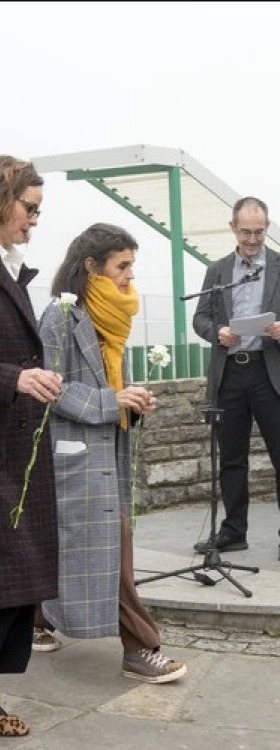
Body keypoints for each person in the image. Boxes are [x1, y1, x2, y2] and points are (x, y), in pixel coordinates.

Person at [36, 222, 187, 684]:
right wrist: (110, 402)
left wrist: (130, 401)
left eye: (131, 266)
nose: (129, 277)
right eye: (122, 266)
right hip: (72, 457)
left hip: (106, 451)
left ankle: (36, 621)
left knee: (67, 548)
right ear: (91, 267)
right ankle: (140, 648)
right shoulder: (60, 316)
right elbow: (48, 386)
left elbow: (108, 385)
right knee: (111, 550)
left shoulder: (109, 317)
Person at [193, 197, 280, 561]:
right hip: (230, 372)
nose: (252, 239)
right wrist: (218, 333)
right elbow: (199, 318)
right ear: (233, 228)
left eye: (259, 231)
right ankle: (233, 531)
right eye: (246, 231)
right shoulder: (217, 271)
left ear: (267, 228)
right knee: (231, 458)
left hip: (268, 370)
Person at [0, 155, 61, 737]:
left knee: (17, 585)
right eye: (29, 207)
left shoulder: (13, 268)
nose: (35, 220)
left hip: (16, 448)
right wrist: (14, 377)